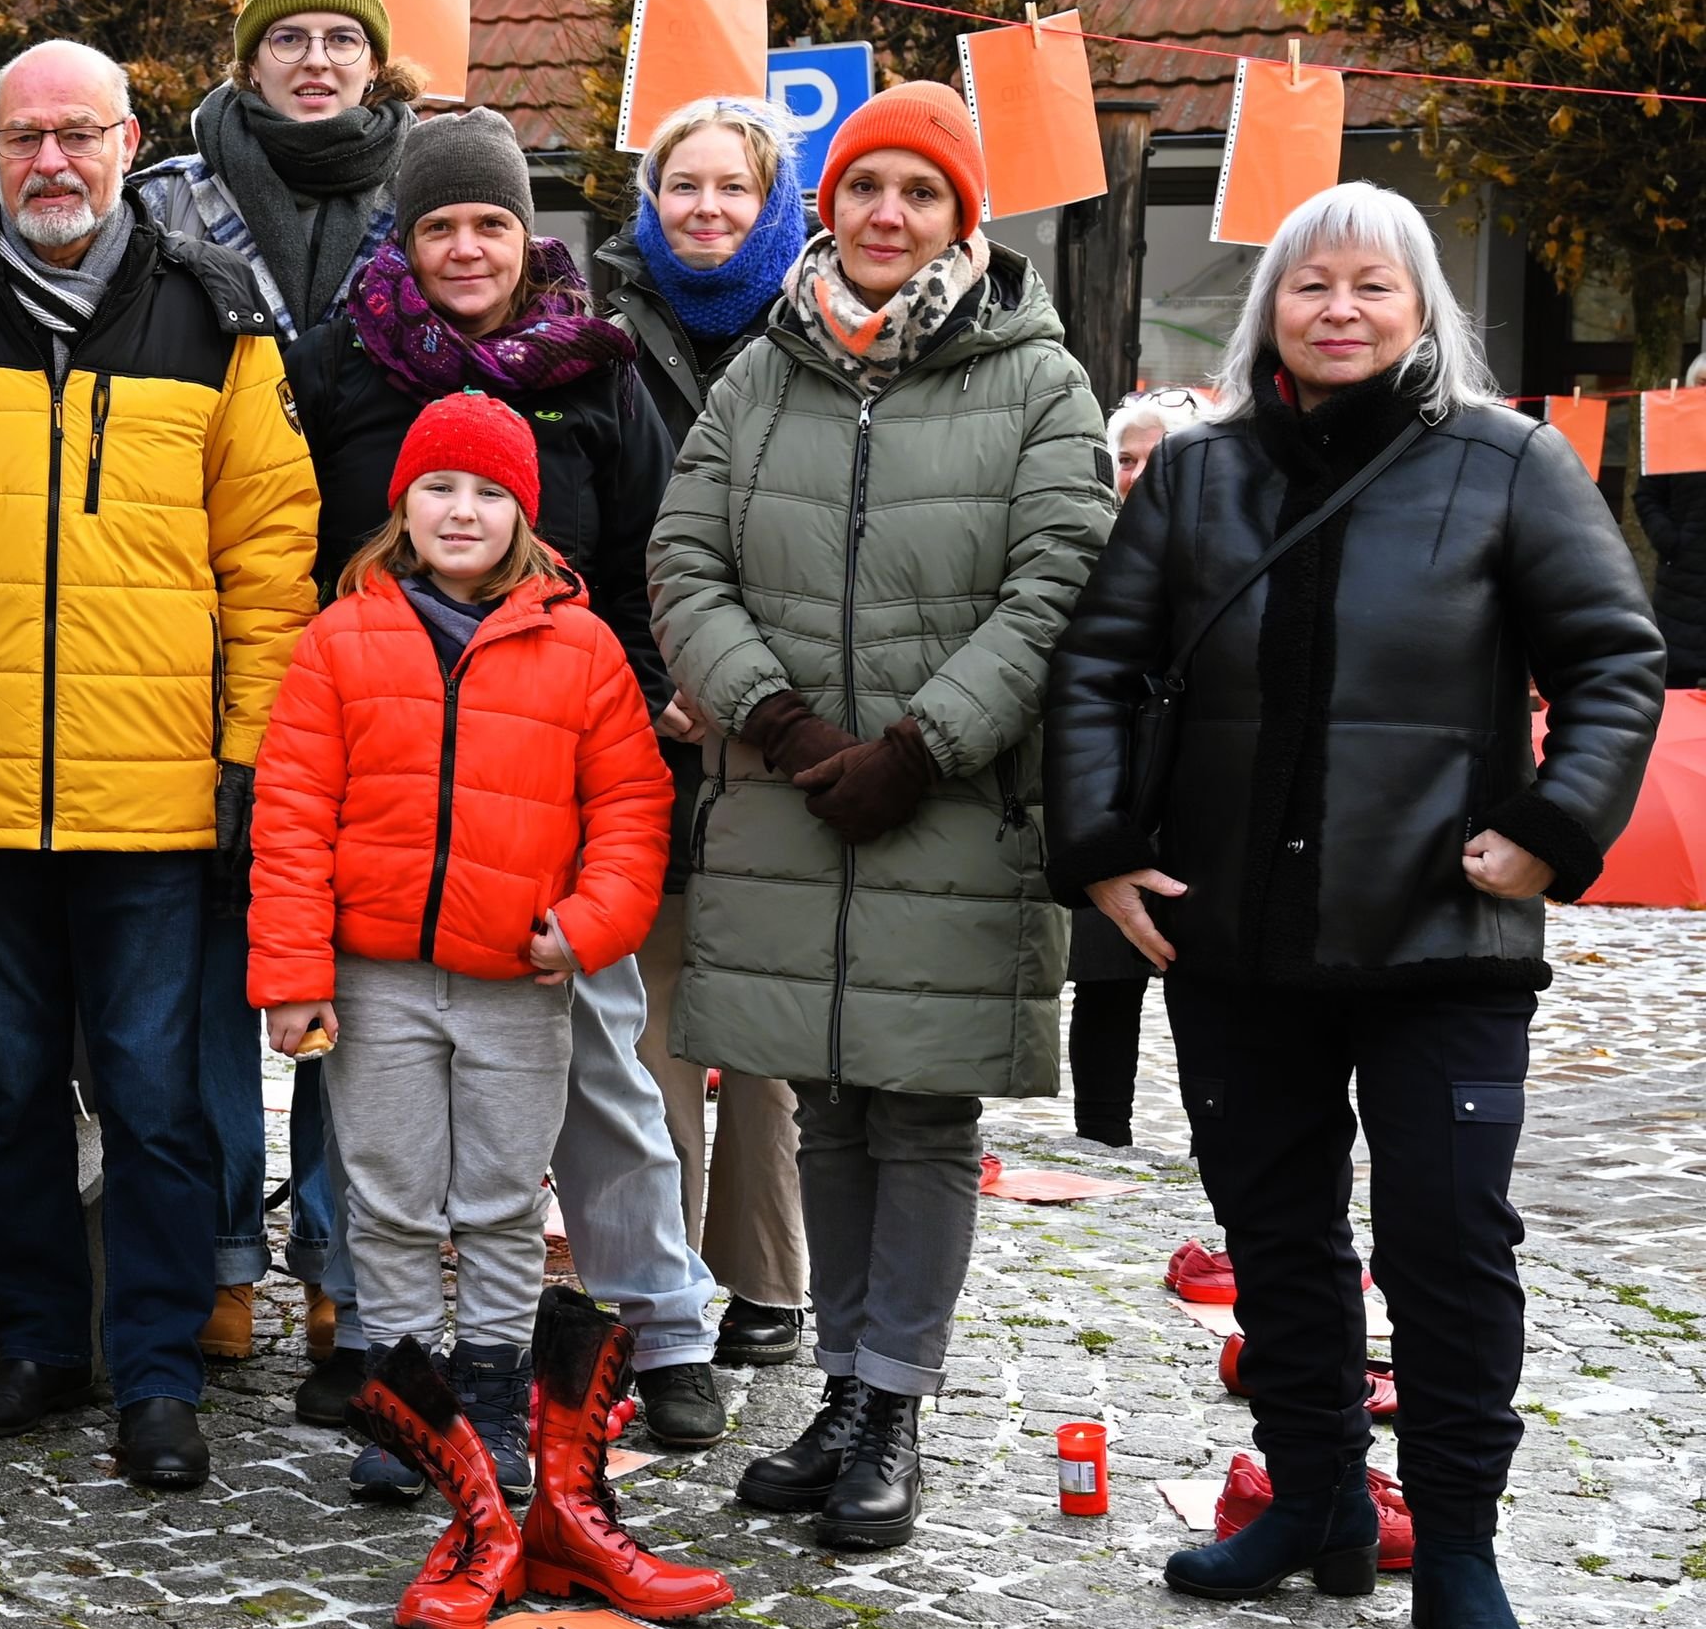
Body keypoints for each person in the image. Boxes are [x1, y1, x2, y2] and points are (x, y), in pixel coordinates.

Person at [1048, 182, 1659, 1629]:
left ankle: (1453, 1538)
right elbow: (1095, 672)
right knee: (1278, 1233)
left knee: (1448, 1240)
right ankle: (1314, 1495)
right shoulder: (1198, 478)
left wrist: (1552, 827)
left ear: (1419, 309)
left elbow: (1614, 661)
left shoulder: (1510, 463)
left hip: (1443, 932)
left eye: (1372, 288)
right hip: (1237, 937)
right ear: (1274, 310)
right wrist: (1108, 852)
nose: (1339, 310)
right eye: (1312, 285)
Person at [650, 79, 1112, 1553]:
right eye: (865, 188)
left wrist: (922, 748)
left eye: (920, 193)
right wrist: (779, 725)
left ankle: (896, 1400)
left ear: (960, 217)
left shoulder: (1037, 376)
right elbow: (685, 556)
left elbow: (1059, 583)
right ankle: (840, 1392)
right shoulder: (765, 370)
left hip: (949, 807)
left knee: (920, 1114)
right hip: (790, 794)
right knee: (826, 1104)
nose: (888, 216)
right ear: (829, 204)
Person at [0, 39, 318, 1494]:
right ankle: (37, 1343)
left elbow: (269, 556)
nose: (50, 163)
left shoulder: (213, 312)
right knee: (6, 1092)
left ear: (130, 142)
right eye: (23, 138)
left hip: (154, 793)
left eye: (77, 133)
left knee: (152, 1097)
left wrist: (246, 751)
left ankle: (158, 1368)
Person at [302, 106, 729, 1453]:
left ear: (524, 231)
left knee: (605, 1075)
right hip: (393, 791)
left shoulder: (594, 369)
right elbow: (308, 542)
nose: (467, 247)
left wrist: (650, 721)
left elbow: (662, 550)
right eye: (441, 225)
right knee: (376, 1105)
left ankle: (660, 1327)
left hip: (554, 777)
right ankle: (380, 1352)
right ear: (407, 238)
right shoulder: (348, 365)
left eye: (490, 220)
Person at [250, 394, 671, 1505]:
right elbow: (292, 811)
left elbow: (630, 808)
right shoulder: (342, 637)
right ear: (402, 504)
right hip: (373, 978)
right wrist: (291, 975)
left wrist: (580, 930)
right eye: (439, 486)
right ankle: (404, 1402)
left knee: (495, 1199)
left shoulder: (577, 649)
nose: (461, 509)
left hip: (514, 979)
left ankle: (491, 1384)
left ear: (523, 515)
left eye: (489, 492)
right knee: (386, 1194)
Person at [134, 0, 421, 1378]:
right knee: (202, 973)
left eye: (342, 38)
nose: (317, 59)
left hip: (384, 644)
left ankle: (338, 1253)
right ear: (248, 58)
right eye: (290, 35)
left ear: (377, 62)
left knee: (344, 975)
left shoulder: (427, 196)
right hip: (196, 636)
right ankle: (219, 1255)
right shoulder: (165, 201)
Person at [598, 97, 811, 1368]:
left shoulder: (817, 330)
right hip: (643, 712)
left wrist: (757, 685)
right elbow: (591, 525)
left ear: (773, 203)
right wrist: (651, 675)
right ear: (651, 199)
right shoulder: (604, 330)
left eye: (734, 188)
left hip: (783, 712)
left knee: (767, 1022)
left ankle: (768, 1276)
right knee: (655, 1012)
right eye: (684, 186)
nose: (708, 210)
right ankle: (659, 1277)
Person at [1066, 387, 1212, 1148]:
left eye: (1153, 457)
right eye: (1125, 459)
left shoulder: (1222, 547)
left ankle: (1209, 1134)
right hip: (1113, 783)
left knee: (1197, 970)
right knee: (1103, 975)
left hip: (1192, 785)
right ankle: (1100, 1130)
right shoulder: (1090, 543)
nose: (1136, 473)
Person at [1646, 345, 1706, 688]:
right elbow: (1648, 495)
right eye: (1701, 382)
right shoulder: (1672, 430)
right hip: (1680, 580)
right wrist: (1669, 540)